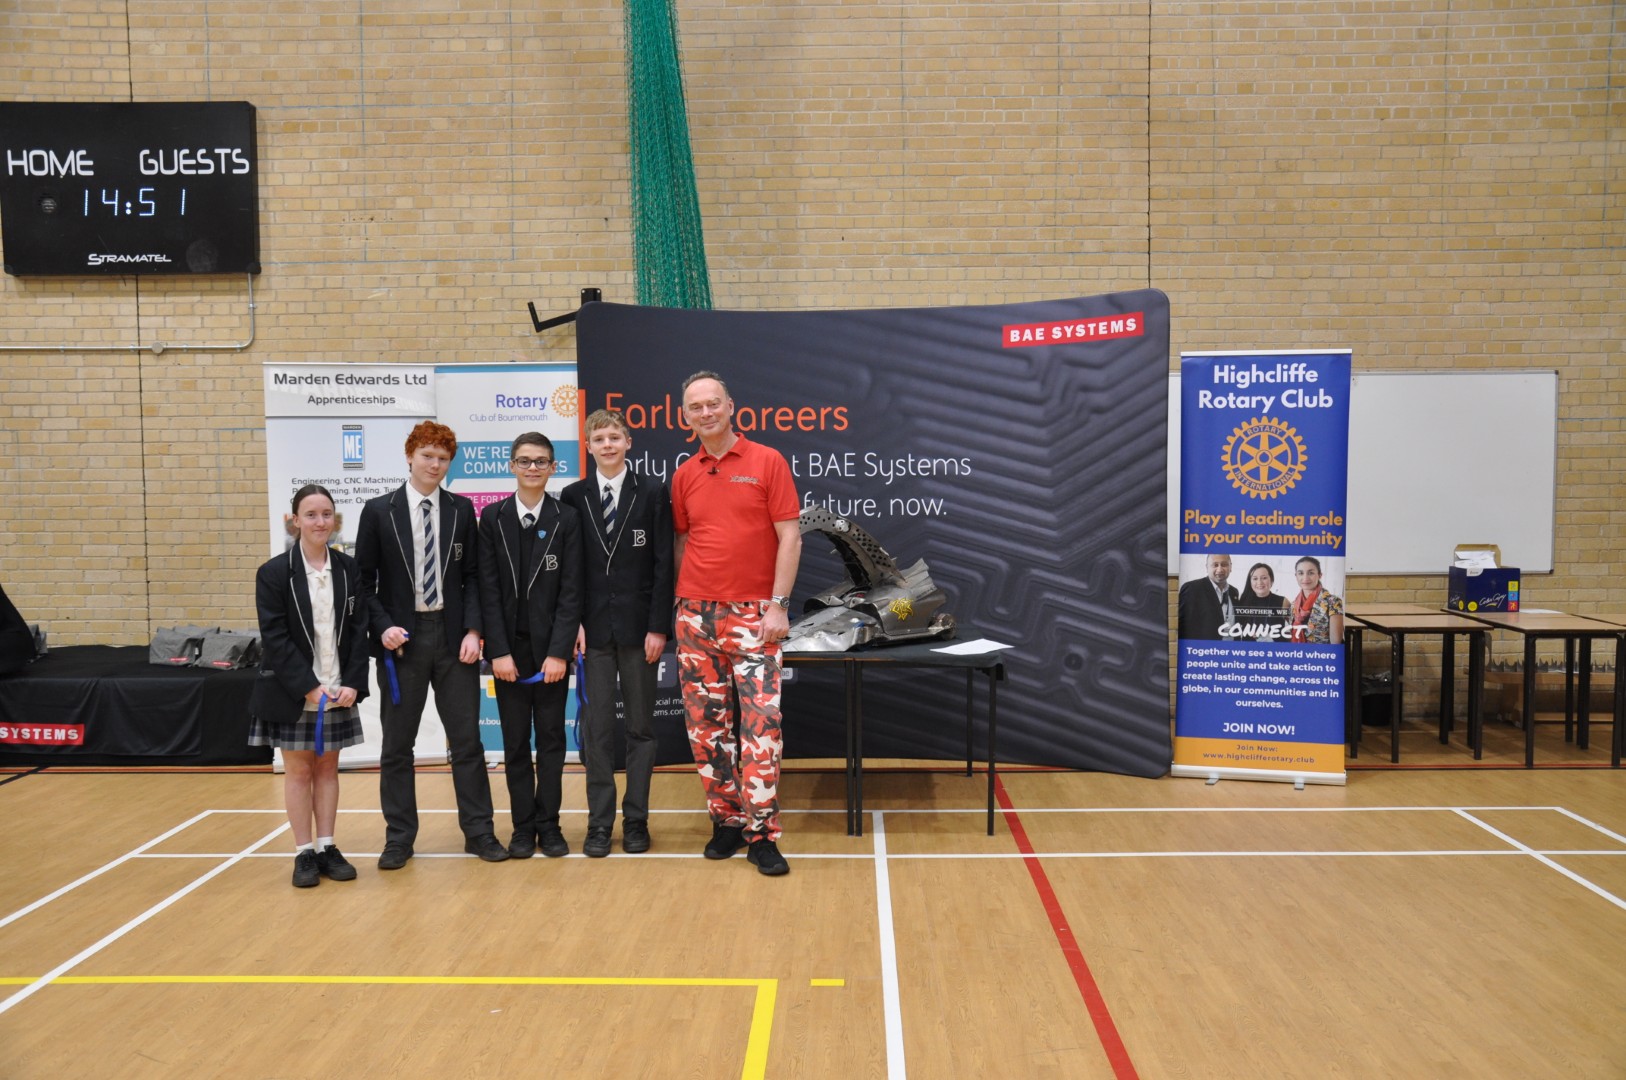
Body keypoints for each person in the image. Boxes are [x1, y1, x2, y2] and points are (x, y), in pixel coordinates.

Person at [355, 421, 508, 869]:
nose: (435, 465)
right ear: (410, 456)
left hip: (453, 637)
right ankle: (399, 839)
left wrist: (474, 631)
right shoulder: (378, 511)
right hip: (401, 642)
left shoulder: (461, 509)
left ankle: (479, 832)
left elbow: (475, 576)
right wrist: (383, 626)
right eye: (427, 456)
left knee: (467, 741)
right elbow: (363, 583)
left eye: (442, 458)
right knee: (397, 746)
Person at [671, 371, 801, 876]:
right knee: (707, 730)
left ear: (730, 406)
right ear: (685, 416)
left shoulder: (767, 460)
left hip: (755, 615)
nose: (705, 413)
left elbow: (790, 538)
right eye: (695, 407)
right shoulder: (685, 474)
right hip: (695, 616)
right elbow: (684, 542)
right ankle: (726, 822)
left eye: (713, 403)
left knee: (761, 730)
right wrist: (683, 605)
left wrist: (778, 605)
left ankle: (762, 835)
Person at [560, 409, 673, 858]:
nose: (607, 445)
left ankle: (637, 820)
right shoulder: (573, 495)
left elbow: (663, 564)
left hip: (640, 631)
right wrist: (574, 623)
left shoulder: (652, 491)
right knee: (598, 731)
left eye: (614, 437)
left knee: (641, 729)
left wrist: (658, 627)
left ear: (628, 441)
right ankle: (599, 824)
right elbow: (570, 570)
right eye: (599, 439)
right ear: (588, 447)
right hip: (593, 634)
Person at [249, 485, 370, 888]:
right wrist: (308, 687)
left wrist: (353, 682)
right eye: (312, 515)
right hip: (294, 691)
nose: (321, 522)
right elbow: (275, 638)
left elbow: (359, 629)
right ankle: (303, 852)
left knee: (329, 768)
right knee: (299, 771)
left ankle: (327, 847)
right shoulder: (273, 573)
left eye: (327, 514)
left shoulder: (349, 569)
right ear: (295, 520)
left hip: (337, 689)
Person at [477, 433, 583, 859]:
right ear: (512, 466)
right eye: (525, 461)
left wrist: (558, 653)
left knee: (553, 742)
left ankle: (549, 825)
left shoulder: (567, 518)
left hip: (551, 655)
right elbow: (486, 589)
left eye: (541, 461)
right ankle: (523, 827)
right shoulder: (493, 517)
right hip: (509, 655)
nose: (533, 468)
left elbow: (572, 591)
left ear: (553, 467)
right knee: (516, 744)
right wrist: (498, 652)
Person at [1176, 553, 1237, 641]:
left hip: (1231, 648)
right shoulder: (1192, 589)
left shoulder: (1234, 592)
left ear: (1230, 567)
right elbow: (1181, 627)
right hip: (1204, 648)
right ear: (1207, 567)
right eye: (1215, 565)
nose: (1219, 569)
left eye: (1224, 564)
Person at [1289, 555, 1345, 644]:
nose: (1305, 578)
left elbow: (1336, 643)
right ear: (1296, 576)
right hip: (1295, 651)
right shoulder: (1293, 605)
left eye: (1311, 573)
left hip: (1321, 652)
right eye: (1300, 573)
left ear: (1319, 575)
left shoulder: (1333, 602)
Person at [1233, 562, 1291, 640]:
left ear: (1271, 580)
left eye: (1264, 578)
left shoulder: (1283, 602)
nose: (1259, 582)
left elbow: (1295, 628)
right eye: (1255, 579)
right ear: (1250, 582)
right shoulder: (1243, 601)